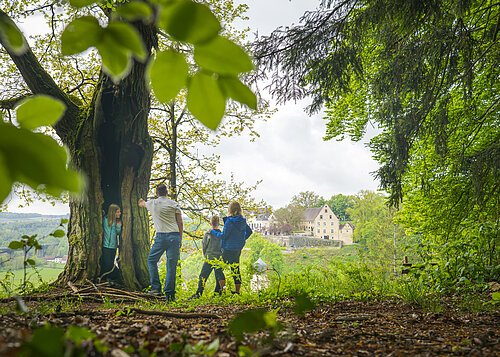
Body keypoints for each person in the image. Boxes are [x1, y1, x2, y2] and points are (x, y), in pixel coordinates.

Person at [139, 184, 183, 301]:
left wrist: (141, 200)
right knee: (171, 265)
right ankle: (170, 294)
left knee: (152, 260)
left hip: (161, 236)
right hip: (174, 236)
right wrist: (180, 238)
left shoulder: (153, 203)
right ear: (167, 192)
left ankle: (156, 288)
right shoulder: (174, 204)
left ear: (157, 193)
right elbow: (180, 222)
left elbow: (141, 204)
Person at [210, 201, 252, 294]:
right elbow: (249, 232)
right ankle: (237, 292)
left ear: (230, 210)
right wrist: (241, 240)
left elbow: (224, 236)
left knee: (218, 268)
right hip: (237, 249)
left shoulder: (229, 221)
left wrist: (213, 232)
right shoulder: (242, 221)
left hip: (228, 249)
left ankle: (223, 290)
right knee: (235, 269)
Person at [189, 216, 225, 299]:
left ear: (210, 223)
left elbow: (204, 245)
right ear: (218, 223)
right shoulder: (221, 235)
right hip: (218, 258)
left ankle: (199, 293)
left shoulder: (208, 234)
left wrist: (205, 255)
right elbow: (223, 247)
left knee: (203, 276)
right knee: (218, 276)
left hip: (209, 257)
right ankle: (217, 294)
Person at [100, 204, 122, 282]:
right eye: (118, 212)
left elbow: (118, 233)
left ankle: (109, 278)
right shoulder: (105, 220)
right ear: (113, 212)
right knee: (106, 262)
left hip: (113, 246)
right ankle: (105, 278)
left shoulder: (117, 222)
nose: (120, 213)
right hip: (105, 245)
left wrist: (119, 226)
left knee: (110, 262)